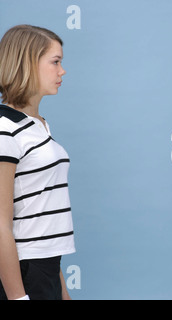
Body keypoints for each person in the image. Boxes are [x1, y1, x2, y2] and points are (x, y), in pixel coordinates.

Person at [0, 25, 75, 300]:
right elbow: (0, 224)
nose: (62, 71)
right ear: (27, 63)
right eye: (55, 62)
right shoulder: (4, 128)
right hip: (22, 275)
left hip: (46, 270)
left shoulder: (39, 126)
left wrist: (63, 291)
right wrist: (18, 298)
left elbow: (43, 222)